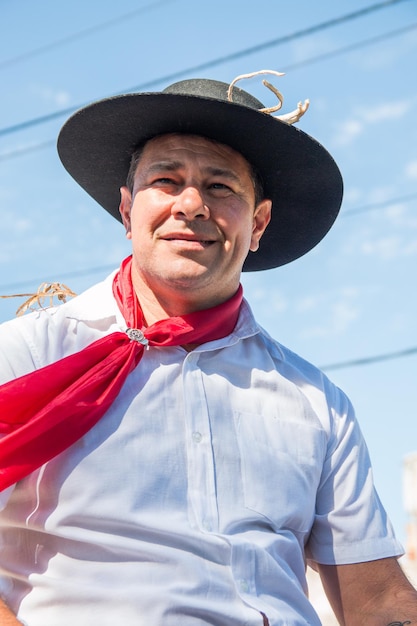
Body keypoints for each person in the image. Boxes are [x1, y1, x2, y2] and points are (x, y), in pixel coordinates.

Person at [0, 71, 416, 626]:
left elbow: (378, 603)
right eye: (166, 181)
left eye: (220, 187)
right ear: (127, 211)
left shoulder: (317, 401)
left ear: (259, 222)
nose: (191, 205)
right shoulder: (27, 355)